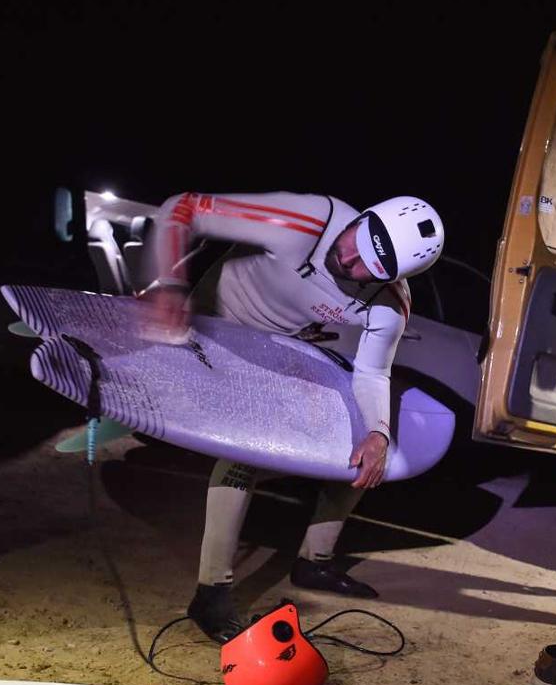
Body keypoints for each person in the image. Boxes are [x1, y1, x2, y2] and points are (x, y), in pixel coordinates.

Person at [139, 191, 445, 642]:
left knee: (362, 442)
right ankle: (211, 590)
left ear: (394, 277)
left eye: (370, 267)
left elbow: (373, 371)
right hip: (208, 327)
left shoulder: (390, 303)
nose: (349, 258)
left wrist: (378, 434)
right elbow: (182, 208)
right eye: (359, 238)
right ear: (362, 216)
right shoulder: (307, 222)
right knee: (244, 452)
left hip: (273, 350)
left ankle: (315, 561)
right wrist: (169, 284)